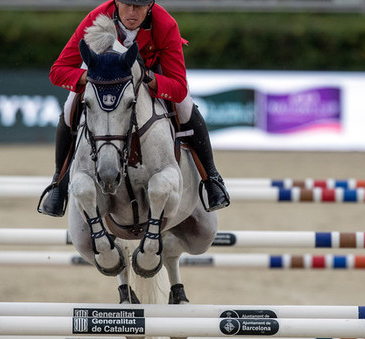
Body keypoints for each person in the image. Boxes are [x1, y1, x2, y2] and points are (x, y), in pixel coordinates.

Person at [38, 0, 230, 217]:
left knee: (185, 105)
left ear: (150, 6)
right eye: (127, 4)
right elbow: (58, 71)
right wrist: (89, 77)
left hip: (149, 76)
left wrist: (147, 77)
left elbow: (178, 87)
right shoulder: (96, 17)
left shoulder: (165, 24)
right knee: (70, 105)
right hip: (102, 78)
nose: (132, 12)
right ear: (116, 2)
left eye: (139, 6)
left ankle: (211, 179)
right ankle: (58, 184)